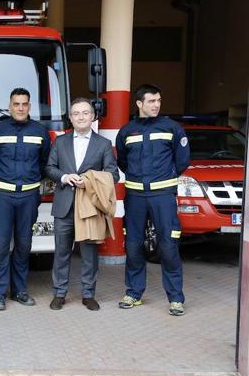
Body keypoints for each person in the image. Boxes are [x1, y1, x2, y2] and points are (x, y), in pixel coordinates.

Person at [115, 84, 190, 316]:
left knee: (168, 246)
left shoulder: (172, 128)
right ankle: (134, 293)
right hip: (135, 196)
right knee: (134, 245)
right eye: (151, 101)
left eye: (158, 100)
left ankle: (176, 298)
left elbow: (182, 160)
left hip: (163, 196)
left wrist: (163, 179)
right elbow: (123, 162)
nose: (156, 104)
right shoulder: (127, 131)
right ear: (139, 104)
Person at [45, 97, 119, 311]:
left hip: (90, 207)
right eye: (76, 113)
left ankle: (88, 294)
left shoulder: (103, 144)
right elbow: (49, 168)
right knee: (61, 253)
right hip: (64, 205)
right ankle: (59, 293)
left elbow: (113, 174)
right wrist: (64, 177)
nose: (80, 117)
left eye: (85, 113)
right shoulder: (60, 141)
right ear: (70, 118)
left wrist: (89, 179)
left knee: (89, 253)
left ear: (93, 116)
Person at [0, 88, 51, 311]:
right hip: (2, 195)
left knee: (24, 245)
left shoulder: (40, 131)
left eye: (24, 104)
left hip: (29, 196)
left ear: (29, 106)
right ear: (10, 105)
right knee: (1, 245)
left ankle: (20, 291)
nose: (20, 108)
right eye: (16, 104)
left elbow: (45, 162)